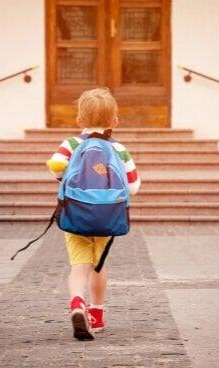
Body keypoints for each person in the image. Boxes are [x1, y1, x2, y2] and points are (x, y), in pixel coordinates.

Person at [46, 88, 141, 340]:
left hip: (75, 214)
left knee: (79, 266)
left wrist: (63, 178)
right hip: (107, 216)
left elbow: (55, 166)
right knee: (98, 265)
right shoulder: (118, 148)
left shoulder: (71, 143)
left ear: (79, 121)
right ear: (115, 121)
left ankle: (77, 304)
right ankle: (97, 315)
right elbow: (132, 185)